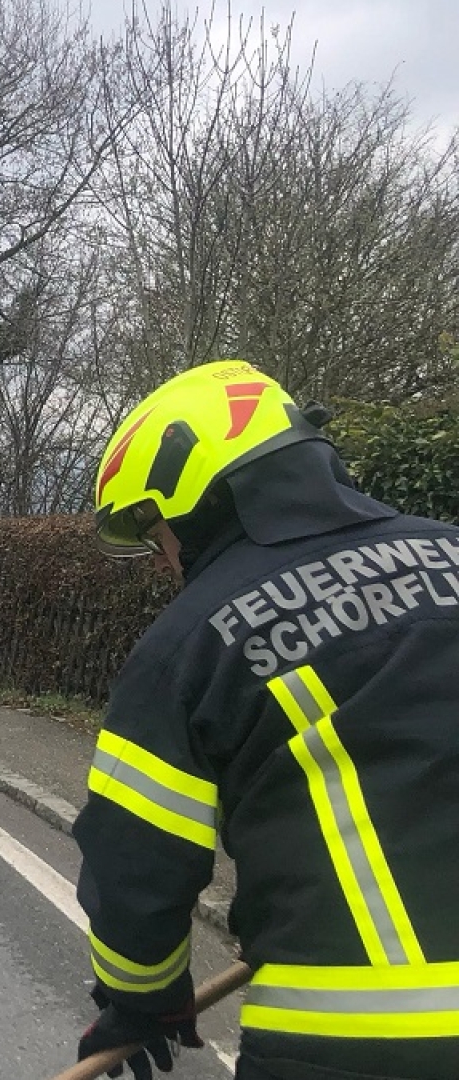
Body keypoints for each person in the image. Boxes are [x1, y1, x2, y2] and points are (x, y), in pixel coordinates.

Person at [76, 360, 459, 1080]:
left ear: (191, 498)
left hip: (356, 1044)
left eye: (153, 532)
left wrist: (139, 999)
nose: (163, 561)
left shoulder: (190, 642)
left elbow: (135, 862)